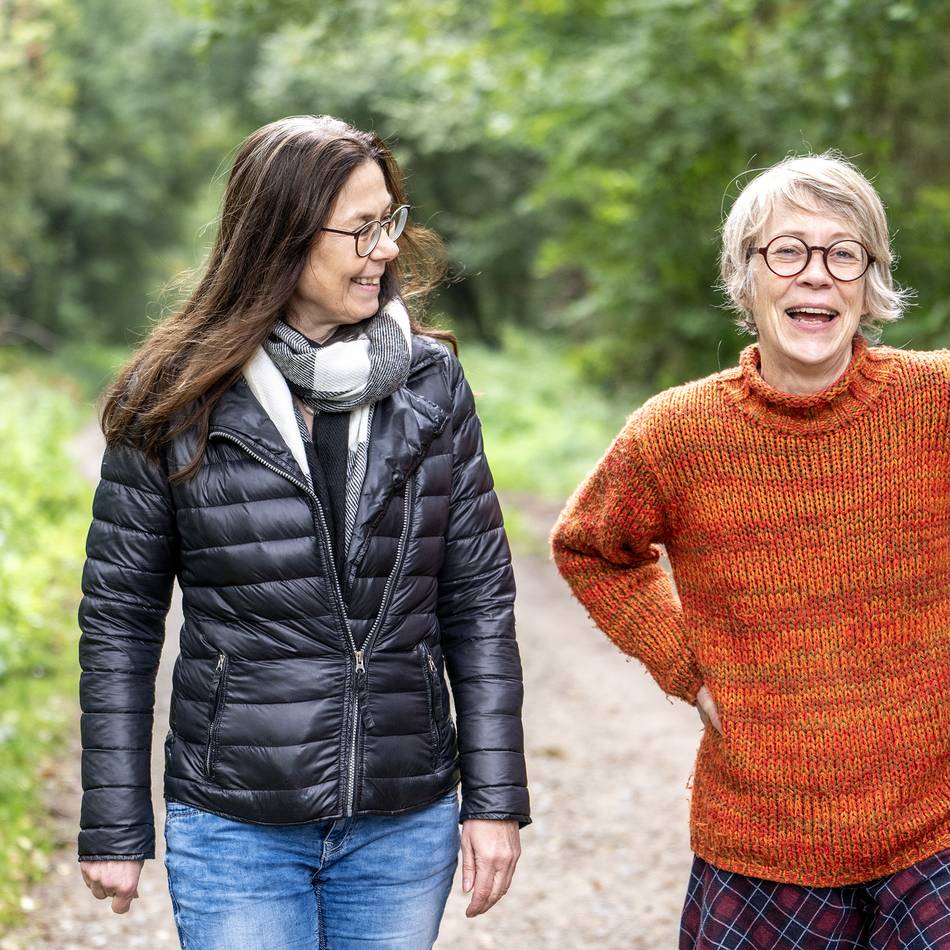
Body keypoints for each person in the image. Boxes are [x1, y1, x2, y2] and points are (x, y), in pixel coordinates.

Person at [77, 114, 529, 949]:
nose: (387, 249)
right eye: (362, 228)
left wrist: (495, 800)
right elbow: (119, 619)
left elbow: (478, 605)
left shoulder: (433, 384)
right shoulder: (170, 397)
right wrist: (114, 814)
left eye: (389, 221)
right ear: (282, 235)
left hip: (404, 819)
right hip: (234, 822)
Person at [551, 153, 948, 949]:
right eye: (787, 251)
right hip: (761, 836)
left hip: (936, 828)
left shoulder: (936, 404)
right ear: (745, 275)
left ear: (871, 280)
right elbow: (589, 547)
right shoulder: (676, 432)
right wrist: (685, 665)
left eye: (844, 253)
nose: (817, 276)